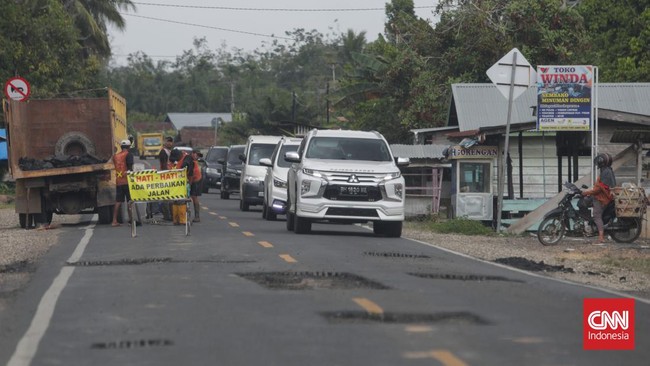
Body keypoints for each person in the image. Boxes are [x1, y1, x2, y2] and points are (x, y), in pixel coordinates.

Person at [582, 152, 616, 243]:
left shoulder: (605, 173)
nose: (597, 164)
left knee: (597, 216)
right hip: (603, 197)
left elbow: (598, 189)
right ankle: (590, 226)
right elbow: (599, 187)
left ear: (602, 162)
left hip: (601, 199)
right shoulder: (607, 170)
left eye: (598, 162)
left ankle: (601, 237)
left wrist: (585, 193)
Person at [169, 148, 195, 225]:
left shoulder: (187, 159)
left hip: (185, 182)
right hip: (177, 184)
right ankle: (176, 220)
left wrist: (189, 185)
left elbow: (190, 174)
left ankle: (183, 220)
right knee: (175, 201)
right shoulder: (176, 161)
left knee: (182, 201)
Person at [112, 139, 134, 227]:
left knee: (118, 201)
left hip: (118, 181)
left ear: (121, 147)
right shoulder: (129, 155)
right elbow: (129, 167)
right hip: (127, 181)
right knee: (129, 201)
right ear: (129, 147)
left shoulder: (116, 156)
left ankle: (114, 221)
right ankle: (131, 220)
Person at [158, 136, 174, 221]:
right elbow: (164, 165)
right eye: (168, 141)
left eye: (171, 142)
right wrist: (165, 176)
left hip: (171, 176)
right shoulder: (163, 152)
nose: (169, 143)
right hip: (165, 176)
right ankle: (167, 216)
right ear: (164, 142)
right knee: (165, 197)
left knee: (170, 197)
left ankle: (170, 215)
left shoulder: (170, 151)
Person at [190, 149, 204, 223]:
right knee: (193, 197)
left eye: (198, 156)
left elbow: (193, 174)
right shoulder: (192, 161)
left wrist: (190, 183)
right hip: (196, 179)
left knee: (194, 197)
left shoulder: (194, 162)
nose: (197, 157)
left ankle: (197, 216)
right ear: (193, 153)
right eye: (197, 155)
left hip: (196, 180)